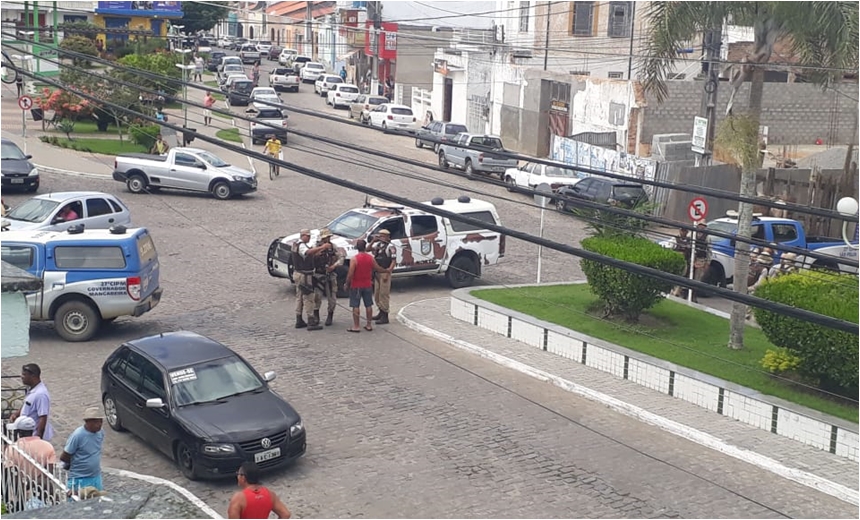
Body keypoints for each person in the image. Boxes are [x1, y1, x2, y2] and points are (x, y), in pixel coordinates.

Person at [345, 239, 386, 333]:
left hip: (356, 285)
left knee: (355, 305)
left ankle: (356, 326)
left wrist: (347, 283)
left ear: (357, 248)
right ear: (364, 247)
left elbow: (350, 273)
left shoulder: (354, 259)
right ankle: (368, 325)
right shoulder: (370, 258)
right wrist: (386, 270)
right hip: (367, 284)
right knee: (368, 305)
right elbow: (377, 268)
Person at [60, 407, 105, 493]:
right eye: (96, 422)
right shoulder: (78, 435)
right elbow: (64, 456)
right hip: (79, 478)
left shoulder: (101, 432)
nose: (99, 424)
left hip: (95, 476)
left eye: (101, 421)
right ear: (87, 422)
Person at [293, 230, 331, 331]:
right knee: (308, 297)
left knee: (299, 297)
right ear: (303, 236)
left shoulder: (296, 244)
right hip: (304, 275)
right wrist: (322, 247)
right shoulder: (301, 245)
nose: (309, 238)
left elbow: (307, 254)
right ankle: (311, 320)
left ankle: (299, 319)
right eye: (308, 236)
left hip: (298, 273)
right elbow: (307, 252)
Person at [227, 462, 292, 519]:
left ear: (243, 478)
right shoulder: (269, 494)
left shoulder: (239, 498)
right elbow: (285, 514)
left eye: (238, 474)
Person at [9, 364, 54, 441]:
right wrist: (16, 414)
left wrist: (38, 439)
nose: (21, 376)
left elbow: (43, 417)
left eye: (24, 374)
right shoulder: (31, 389)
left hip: (33, 436)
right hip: (26, 434)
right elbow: (27, 404)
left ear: (33, 376)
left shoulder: (40, 394)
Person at [312, 228, 344, 327]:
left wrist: (334, 266)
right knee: (317, 296)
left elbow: (341, 258)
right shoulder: (316, 246)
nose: (327, 239)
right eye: (325, 238)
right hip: (318, 275)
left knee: (332, 297)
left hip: (331, 275)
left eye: (328, 237)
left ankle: (330, 315)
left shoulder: (334, 247)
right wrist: (321, 249)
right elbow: (310, 256)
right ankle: (316, 315)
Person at [368, 229, 396, 324]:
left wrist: (388, 272)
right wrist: (373, 241)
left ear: (387, 237)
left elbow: (393, 261)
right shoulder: (378, 245)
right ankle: (380, 312)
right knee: (377, 294)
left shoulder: (390, 247)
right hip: (377, 273)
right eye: (380, 236)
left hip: (384, 272)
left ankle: (385, 316)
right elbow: (368, 249)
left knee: (384, 294)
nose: (381, 237)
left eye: (382, 236)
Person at [670, 227, 692, 297]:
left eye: (685, 231)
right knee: (673, 276)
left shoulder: (690, 241)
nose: (683, 232)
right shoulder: (674, 239)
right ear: (679, 231)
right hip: (675, 261)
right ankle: (671, 290)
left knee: (682, 276)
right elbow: (670, 249)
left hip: (685, 261)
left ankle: (677, 292)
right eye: (682, 230)